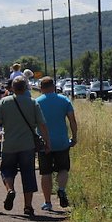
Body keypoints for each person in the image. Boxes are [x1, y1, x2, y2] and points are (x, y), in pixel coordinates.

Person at [0, 75, 50, 217]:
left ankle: (10, 190)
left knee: (7, 170)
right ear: (26, 88)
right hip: (27, 145)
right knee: (28, 174)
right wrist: (47, 142)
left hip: (9, 145)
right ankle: (28, 206)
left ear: (12, 88)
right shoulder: (33, 103)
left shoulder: (4, 102)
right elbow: (42, 125)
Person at [35, 76, 78, 211]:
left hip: (44, 143)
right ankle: (61, 189)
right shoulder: (64, 100)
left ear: (41, 88)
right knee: (63, 169)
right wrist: (74, 137)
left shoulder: (37, 102)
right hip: (62, 141)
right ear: (53, 87)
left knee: (46, 172)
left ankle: (47, 202)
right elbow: (72, 121)